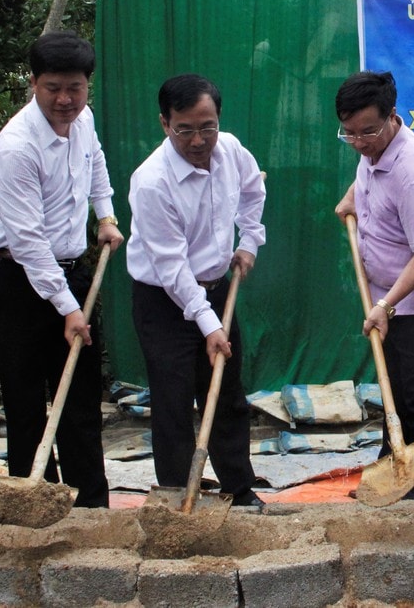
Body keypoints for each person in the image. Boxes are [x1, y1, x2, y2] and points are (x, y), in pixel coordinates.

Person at [0, 31, 123, 508]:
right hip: (18, 280)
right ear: (33, 83)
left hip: (70, 271)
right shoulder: (16, 148)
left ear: (88, 86)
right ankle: (33, 502)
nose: (65, 100)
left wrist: (104, 215)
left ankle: (89, 507)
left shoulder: (83, 122)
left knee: (80, 399)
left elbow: (96, 161)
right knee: (25, 399)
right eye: (53, 88)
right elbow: (27, 241)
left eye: (75, 89)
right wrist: (67, 308)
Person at [127, 74, 266, 507]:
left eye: (208, 126)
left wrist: (249, 242)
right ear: (164, 124)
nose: (198, 140)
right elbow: (171, 268)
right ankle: (177, 498)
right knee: (172, 402)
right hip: (164, 301)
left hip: (217, 285)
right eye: (184, 129)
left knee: (226, 393)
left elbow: (253, 191)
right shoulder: (151, 182)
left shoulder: (232, 150)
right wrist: (208, 325)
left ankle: (239, 490)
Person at [334, 71, 414, 499]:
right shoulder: (369, 147)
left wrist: (385, 305)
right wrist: (354, 195)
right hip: (388, 298)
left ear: (393, 117)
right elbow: (369, 173)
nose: (359, 141)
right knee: (398, 394)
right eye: (348, 133)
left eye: (368, 130)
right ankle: (394, 477)